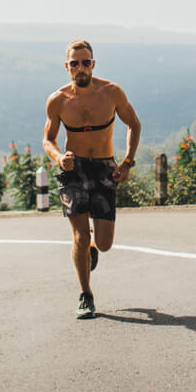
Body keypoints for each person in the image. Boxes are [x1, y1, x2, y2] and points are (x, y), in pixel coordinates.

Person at [43, 39, 142, 319]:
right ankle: (86, 294)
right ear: (67, 67)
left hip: (104, 168)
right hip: (73, 170)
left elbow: (134, 124)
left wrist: (126, 162)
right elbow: (48, 139)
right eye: (75, 63)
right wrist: (59, 158)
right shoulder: (58, 100)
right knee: (79, 235)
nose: (81, 68)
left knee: (105, 242)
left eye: (86, 62)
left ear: (93, 64)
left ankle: (93, 248)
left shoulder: (111, 92)